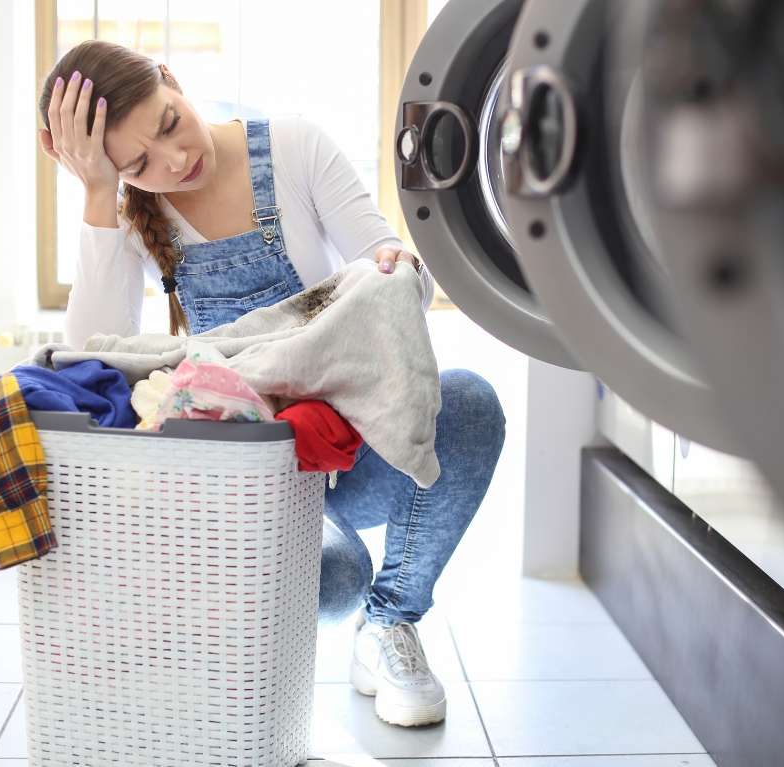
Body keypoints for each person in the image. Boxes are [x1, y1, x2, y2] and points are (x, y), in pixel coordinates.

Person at [37, 40, 506, 728]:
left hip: (351, 442)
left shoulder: (293, 148)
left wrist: (390, 268)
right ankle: (226, 653)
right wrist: (102, 193)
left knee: (469, 402)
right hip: (258, 476)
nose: (174, 161)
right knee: (335, 577)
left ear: (172, 80)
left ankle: (390, 625)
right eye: (138, 163)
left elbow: (399, 281)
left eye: (169, 123)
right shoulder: (137, 212)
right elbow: (92, 360)